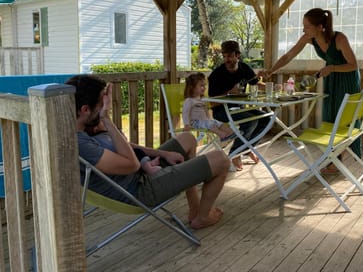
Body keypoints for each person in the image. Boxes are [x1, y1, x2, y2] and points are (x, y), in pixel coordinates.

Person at [66, 74, 230, 229]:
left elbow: (127, 146)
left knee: (187, 139)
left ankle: (195, 209)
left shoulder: (88, 128)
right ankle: (202, 218)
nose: (106, 105)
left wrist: (163, 154)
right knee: (221, 160)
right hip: (139, 191)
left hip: (144, 171)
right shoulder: (81, 144)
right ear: (85, 110)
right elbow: (132, 164)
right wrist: (106, 118)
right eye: (102, 102)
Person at [260, 8, 361, 170]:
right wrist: (271, 70)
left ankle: (336, 158)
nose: (303, 30)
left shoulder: (339, 38)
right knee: (330, 116)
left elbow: (353, 65)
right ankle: (334, 158)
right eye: (303, 26)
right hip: (332, 78)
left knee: (343, 118)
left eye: (307, 26)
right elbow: (288, 56)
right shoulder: (309, 38)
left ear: (320, 26)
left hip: (347, 79)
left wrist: (333, 68)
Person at [208, 40, 267, 171]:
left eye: (229, 56)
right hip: (221, 111)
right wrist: (229, 94)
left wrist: (272, 86)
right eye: (224, 56)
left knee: (267, 118)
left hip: (239, 109)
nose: (226, 59)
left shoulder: (244, 68)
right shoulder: (216, 74)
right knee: (251, 122)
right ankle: (235, 153)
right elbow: (212, 102)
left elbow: (256, 83)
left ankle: (245, 149)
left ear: (237, 55)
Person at [86, 120, 163, 176]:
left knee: (139, 152)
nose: (104, 122)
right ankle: (148, 168)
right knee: (138, 152)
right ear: (96, 129)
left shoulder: (104, 134)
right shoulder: (100, 139)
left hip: (130, 161)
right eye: (102, 122)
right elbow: (123, 143)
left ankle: (149, 163)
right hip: (130, 164)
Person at [183, 72, 236, 142]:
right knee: (209, 123)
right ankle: (222, 135)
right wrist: (186, 124)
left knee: (218, 123)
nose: (204, 88)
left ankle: (231, 132)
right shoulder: (189, 100)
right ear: (192, 87)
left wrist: (209, 119)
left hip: (205, 121)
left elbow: (206, 111)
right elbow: (185, 113)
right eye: (201, 86)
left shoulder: (203, 99)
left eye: (205, 85)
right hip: (195, 123)